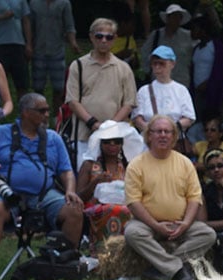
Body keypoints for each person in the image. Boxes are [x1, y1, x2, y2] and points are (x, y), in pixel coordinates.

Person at [0, 93, 83, 280]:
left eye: (47, 110)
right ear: (26, 113)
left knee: (74, 210)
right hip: (8, 196)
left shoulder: (53, 138)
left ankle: (65, 265)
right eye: (42, 111)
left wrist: (70, 191)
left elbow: (67, 171)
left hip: (44, 197)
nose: (47, 114)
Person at [123, 114, 214, 280]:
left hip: (179, 224)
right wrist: (156, 225)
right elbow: (133, 202)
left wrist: (185, 224)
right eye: (158, 131)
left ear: (174, 137)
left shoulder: (185, 163)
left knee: (207, 234)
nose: (163, 135)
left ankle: (160, 269)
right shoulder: (136, 164)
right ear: (149, 135)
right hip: (148, 225)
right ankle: (178, 270)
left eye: (167, 132)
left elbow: (194, 198)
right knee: (132, 232)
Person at [65, 18, 138, 160]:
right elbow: (72, 101)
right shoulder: (78, 65)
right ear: (91, 37)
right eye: (99, 36)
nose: (104, 40)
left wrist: (110, 126)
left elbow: (129, 103)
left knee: (115, 178)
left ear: (115, 38)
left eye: (109, 37)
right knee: (85, 176)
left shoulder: (123, 68)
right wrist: (92, 123)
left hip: (116, 137)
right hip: (84, 135)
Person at [77, 120, 143, 243]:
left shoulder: (128, 166)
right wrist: (95, 182)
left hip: (125, 205)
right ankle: (104, 249)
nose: (112, 145)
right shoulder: (89, 165)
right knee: (119, 211)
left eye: (117, 141)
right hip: (95, 209)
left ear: (122, 144)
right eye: (107, 142)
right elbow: (79, 197)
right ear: (100, 143)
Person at [132, 46, 195, 139]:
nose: (157, 67)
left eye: (162, 63)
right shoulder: (144, 91)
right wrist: (152, 131)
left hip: (174, 140)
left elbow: (189, 118)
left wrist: (169, 129)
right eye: (154, 64)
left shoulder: (181, 90)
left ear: (172, 64)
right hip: (149, 142)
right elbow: (137, 118)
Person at [28, 0, 81, 112]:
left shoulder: (64, 3)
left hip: (57, 50)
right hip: (38, 50)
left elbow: (69, 26)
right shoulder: (34, 3)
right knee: (38, 87)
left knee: (59, 87)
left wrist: (73, 43)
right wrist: (29, 45)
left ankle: (57, 116)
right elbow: (29, 26)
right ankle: (39, 112)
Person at [188, 12, 223, 128]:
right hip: (197, 94)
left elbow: (221, 71)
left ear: (203, 29)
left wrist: (208, 83)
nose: (192, 31)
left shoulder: (217, 47)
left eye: (195, 28)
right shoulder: (196, 49)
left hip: (212, 93)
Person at [0, 0, 30, 96]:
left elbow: (26, 20)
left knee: (22, 84)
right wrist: (2, 17)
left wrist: (28, 43)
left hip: (18, 45)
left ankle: (23, 109)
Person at [140, 3, 193, 85]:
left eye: (179, 17)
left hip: (182, 81)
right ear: (168, 18)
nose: (177, 19)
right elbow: (144, 53)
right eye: (174, 16)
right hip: (159, 81)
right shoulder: (156, 35)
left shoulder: (188, 36)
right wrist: (149, 71)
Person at [197, 147, 223, 231]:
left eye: (220, 166)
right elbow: (202, 224)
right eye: (211, 167)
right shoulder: (204, 191)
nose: (216, 170)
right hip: (212, 235)